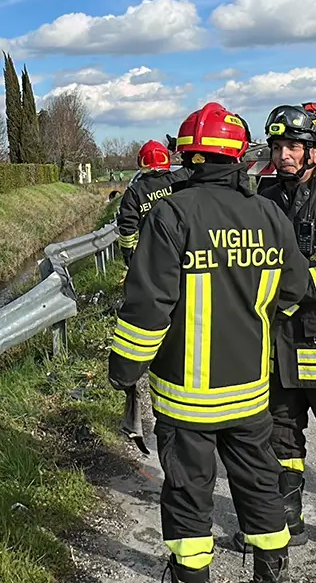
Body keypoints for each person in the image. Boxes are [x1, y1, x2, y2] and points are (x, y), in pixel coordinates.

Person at [108, 102, 309, 583]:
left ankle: (192, 575)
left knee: (187, 492)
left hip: (186, 401)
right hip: (250, 394)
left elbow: (147, 307)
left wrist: (125, 370)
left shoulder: (172, 214)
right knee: (260, 483)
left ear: (188, 157)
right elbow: (296, 290)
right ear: (240, 156)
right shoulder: (267, 214)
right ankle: (271, 570)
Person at [235, 105, 316, 549]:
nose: (284, 155)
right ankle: (288, 518)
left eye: (294, 146)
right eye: (278, 146)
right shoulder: (262, 196)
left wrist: (294, 283)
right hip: (278, 335)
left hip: (315, 329)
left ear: (312, 152)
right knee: (282, 429)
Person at [117, 140, 190, 266]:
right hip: (184, 249)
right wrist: (179, 148)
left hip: (151, 256)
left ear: (141, 161)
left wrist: (129, 258)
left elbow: (127, 230)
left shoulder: (134, 192)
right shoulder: (180, 180)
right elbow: (199, 165)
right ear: (166, 159)